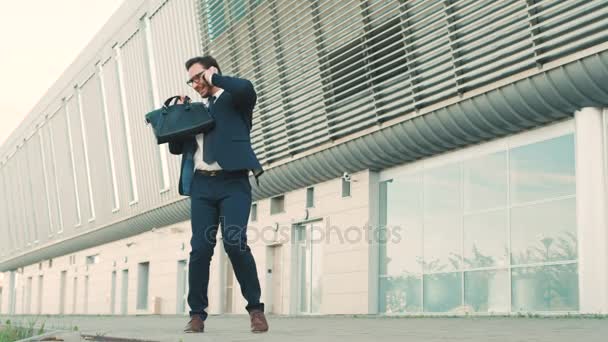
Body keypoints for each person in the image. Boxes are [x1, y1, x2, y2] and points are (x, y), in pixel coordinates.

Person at [168, 56, 268, 333]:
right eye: (191, 80)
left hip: (233, 181)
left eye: (199, 77)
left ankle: (256, 310)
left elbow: (247, 88)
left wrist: (214, 79)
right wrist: (178, 114)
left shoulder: (235, 100)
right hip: (202, 185)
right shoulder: (195, 110)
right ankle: (197, 315)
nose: (195, 83)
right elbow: (176, 148)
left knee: (235, 243)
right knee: (200, 249)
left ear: (213, 73)